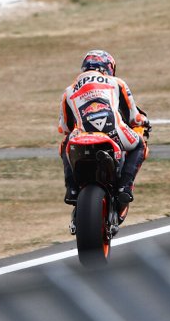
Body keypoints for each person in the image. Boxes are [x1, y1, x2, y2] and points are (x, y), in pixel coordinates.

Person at [57, 50, 150, 208]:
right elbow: (134, 116)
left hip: (82, 135)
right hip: (113, 131)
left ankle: (72, 189)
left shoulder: (68, 91)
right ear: (109, 67)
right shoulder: (116, 82)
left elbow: (64, 127)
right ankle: (124, 187)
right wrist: (144, 121)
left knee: (66, 143)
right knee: (139, 144)